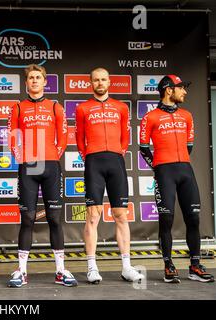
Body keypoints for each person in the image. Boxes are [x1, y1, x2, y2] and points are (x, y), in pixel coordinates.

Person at [7, 64, 77, 288]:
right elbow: (12, 139)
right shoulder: (18, 108)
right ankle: (22, 271)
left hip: (51, 167)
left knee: (54, 218)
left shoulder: (55, 106)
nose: (35, 81)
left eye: (38, 77)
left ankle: (60, 270)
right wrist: (24, 158)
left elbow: (63, 138)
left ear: (45, 82)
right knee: (27, 218)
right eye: (31, 78)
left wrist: (50, 158)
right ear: (26, 82)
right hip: (28, 166)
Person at [140, 74, 214, 283]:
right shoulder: (151, 117)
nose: (185, 91)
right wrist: (158, 166)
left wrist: (178, 159)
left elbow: (189, 146)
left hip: (185, 171)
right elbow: (143, 147)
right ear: (168, 90)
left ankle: (195, 265)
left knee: (194, 218)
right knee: (167, 220)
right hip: (165, 172)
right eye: (181, 87)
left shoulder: (187, 115)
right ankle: (168, 265)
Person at [75, 67, 144, 284]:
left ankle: (126, 267)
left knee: (121, 215)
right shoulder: (83, 108)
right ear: (91, 83)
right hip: (94, 161)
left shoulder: (121, 107)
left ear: (109, 82)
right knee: (93, 215)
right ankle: (92, 267)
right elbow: (79, 137)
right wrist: (88, 155)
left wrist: (119, 152)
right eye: (95, 80)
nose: (100, 83)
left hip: (116, 161)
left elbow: (125, 135)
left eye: (103, 79)